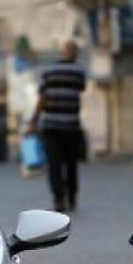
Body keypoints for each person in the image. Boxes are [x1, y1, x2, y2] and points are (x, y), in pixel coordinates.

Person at [29, 40, 87, 213]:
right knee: (71, 165)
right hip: (71, 126)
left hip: (51, 126)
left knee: (54, 165)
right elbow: (81, 89)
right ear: (76, 53)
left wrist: (34, 120)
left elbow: (43, 98)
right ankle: (72, 199)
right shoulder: (79, 72)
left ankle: (58, 201)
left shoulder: (48, 71)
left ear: (62, 52)